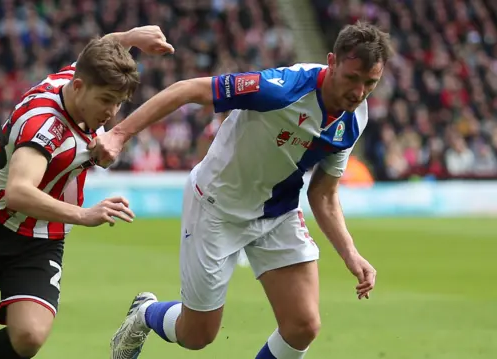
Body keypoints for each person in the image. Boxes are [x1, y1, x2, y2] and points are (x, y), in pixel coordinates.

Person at [91, 21, 393, 359]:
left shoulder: (355, 117)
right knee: (197, 334)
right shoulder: (281, 89)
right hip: (217, 207)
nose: (359, 92)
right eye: (353, 78)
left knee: (303, 325)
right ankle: (146, 312)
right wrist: (118, 135)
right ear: (332, 62)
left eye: (371, 83)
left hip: (277, 211)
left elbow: (322, 192)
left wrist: (351, 254)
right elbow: (187, 89)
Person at [0, 26, 174, 359]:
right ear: (79, 88)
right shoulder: (43, 125)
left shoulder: (78, 79)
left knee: (29, 336)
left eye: (118, 103)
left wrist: (132, 37)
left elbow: (99, 49)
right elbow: (19, 193)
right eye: (106, 101)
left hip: (39, 237)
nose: (111, 113)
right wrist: (84, 215)